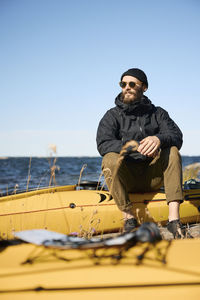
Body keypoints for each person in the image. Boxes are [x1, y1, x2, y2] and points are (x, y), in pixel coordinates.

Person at [96, 68, 185, 239]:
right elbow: (103, 144)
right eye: (123, 84)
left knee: (172, 151)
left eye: (131, 83)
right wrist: (134, 147)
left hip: (153, 177)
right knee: (109, 158)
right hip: (127, 178)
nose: (126, 87)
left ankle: (174, 220)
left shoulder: (158, 113)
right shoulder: (112, 115)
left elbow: (176, 136)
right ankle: (129, 219)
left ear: (144, 87)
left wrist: (158, 139)